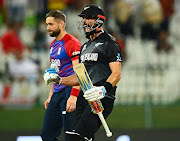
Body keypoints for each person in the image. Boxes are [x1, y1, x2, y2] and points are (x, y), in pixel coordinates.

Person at [43, 5, 122, 141]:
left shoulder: (110, 43)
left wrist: (103, 90)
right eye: (84, 18)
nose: (85, 21)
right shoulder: (84, 47)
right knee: (78, 137)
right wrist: (59, 79)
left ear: (99, 20)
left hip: (102, 98)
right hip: (84, 97)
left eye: (88, 18)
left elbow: (116, 74)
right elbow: (80, 77)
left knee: (78, 137)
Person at [41, 10, 81, 141]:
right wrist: (50, 95)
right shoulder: (53, 45)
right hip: (57, 93)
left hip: (69, 91)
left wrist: (74, 97)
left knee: (71, 136)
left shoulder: (72, 43)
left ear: (61, 24)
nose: (48, 28)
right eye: (47, 24)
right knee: (47, 135)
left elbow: (80, 74)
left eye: (51, 24)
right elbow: (55, 72)